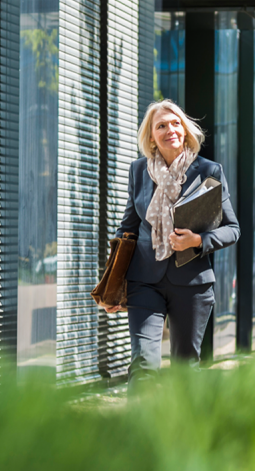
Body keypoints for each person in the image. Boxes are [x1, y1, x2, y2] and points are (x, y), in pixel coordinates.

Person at [105, 99, 240, 390]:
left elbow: (233, 229)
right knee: (143, 364)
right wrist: (112, 283)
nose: (170, 130)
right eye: (161, 126)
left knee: (184, 371)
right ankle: (138, 431)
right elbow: (128, 229)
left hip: (192, 284)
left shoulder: (208, 171)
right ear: (151, 136)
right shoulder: (139, 171)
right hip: (144, 282)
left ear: (186, 129)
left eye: (176, 123)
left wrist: (199, 241)